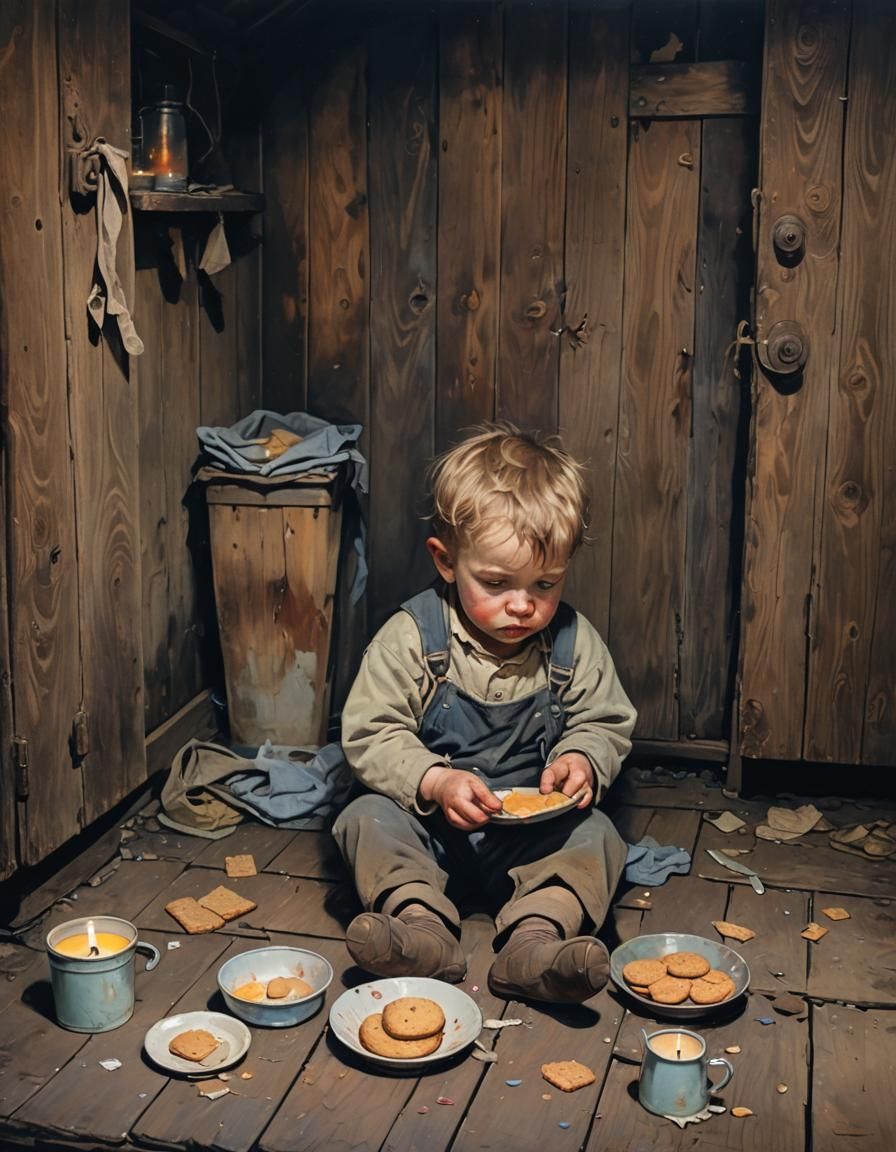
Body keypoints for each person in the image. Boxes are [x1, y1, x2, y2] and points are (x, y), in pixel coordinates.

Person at [332, 423, 637, 1003]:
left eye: (545, 584)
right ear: (446, 562)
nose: (522, 605)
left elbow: (605, 719)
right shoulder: (414, 638)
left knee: (599, 834)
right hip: (433, 833)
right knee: (364, 818)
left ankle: (535, 942)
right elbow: (371, 731)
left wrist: (582, 756)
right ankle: (422, 933)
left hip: (529, 841)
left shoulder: (572, 643)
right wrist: (435, 779)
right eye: (496, 583)